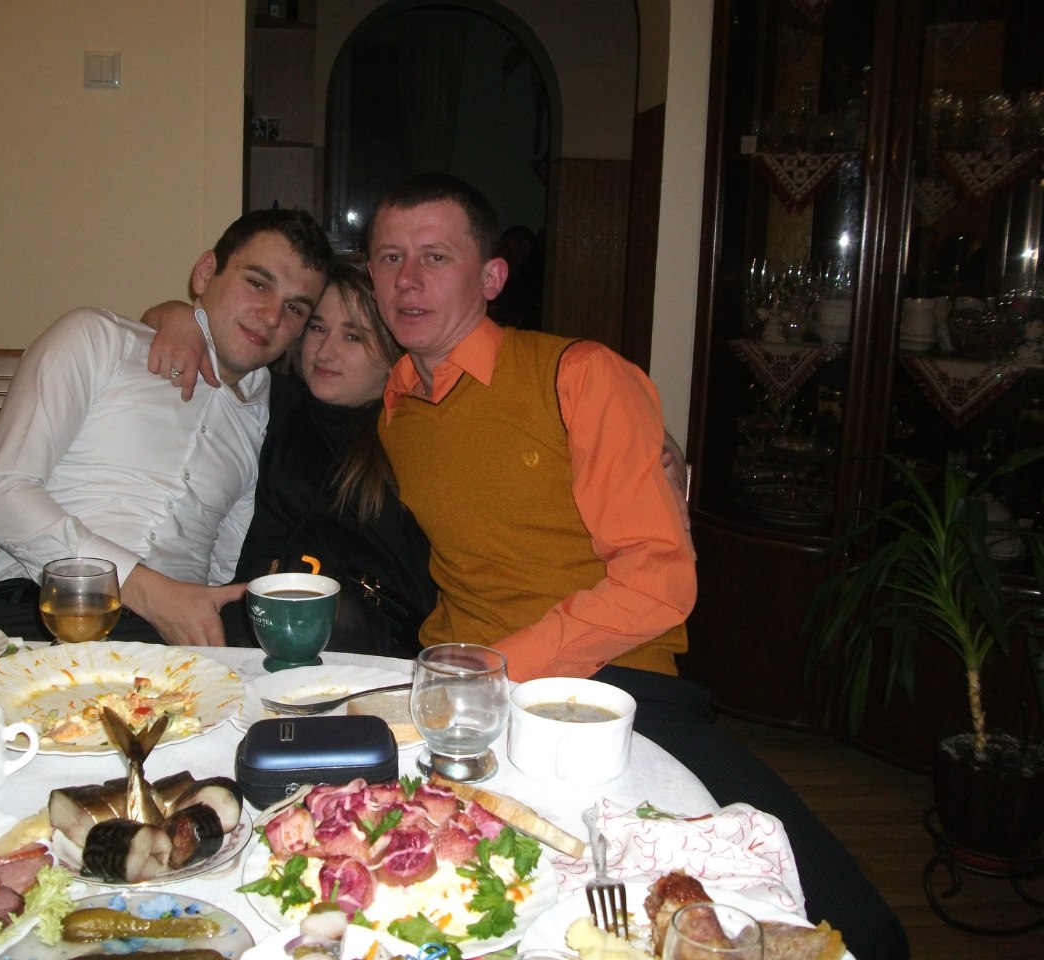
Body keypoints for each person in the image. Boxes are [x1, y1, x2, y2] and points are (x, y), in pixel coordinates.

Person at [361, 172, 908, 960]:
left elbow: (659, 581)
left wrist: (500, 670)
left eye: (435, 257)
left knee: (843, 924)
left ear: (492, 277)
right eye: (389, 257)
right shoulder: (396, 405)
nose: (407, 280)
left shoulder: (579, 376)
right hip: (461, 697)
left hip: (614, 684)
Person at [0, 208, 333, 645]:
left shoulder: (269, 424)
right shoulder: (98, 340)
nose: (271, 316)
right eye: (257, 283)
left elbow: (222, 568)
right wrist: (147, 591)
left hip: (164, 649)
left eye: (294, 308)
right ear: (205, 273)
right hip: (34, 615)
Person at [144, 257, 435, 658]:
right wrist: (179, 316)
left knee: (320, 623)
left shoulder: (413, 435)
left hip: (369, 632)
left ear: (392, 353)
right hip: (256, 615)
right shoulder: (269, 401)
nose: (326, 351)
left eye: (353, 336)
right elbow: (170, 328)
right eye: (318, 328)